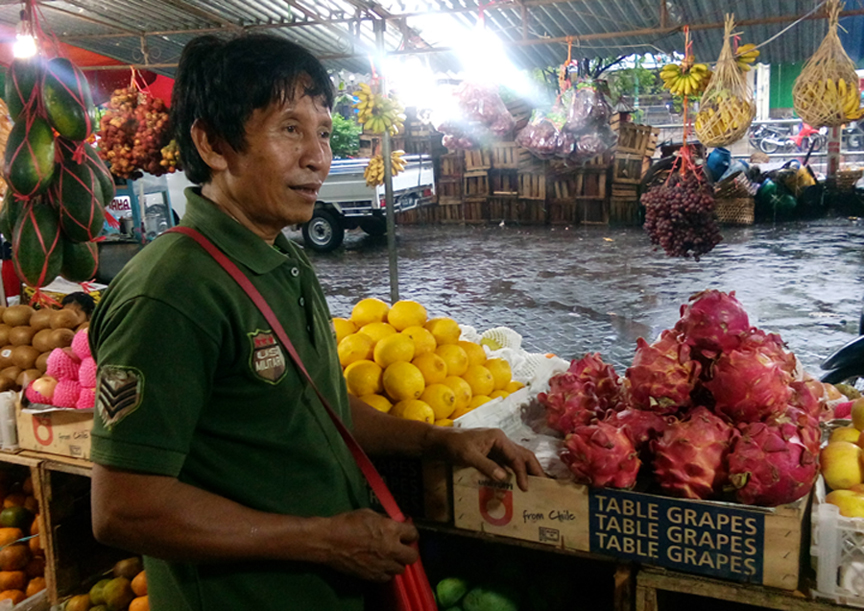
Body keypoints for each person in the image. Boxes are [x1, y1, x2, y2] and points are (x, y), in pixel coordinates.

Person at [88, 33, 544, 611]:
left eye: (323, 132)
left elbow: (320, 404)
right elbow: (125, 507)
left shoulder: (283, 259)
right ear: (213, 143)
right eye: (289, 129)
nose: (318, 156)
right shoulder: (172, 292)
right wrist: (324, 540)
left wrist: (441, 441)